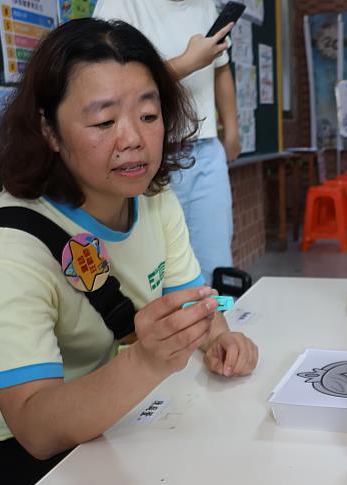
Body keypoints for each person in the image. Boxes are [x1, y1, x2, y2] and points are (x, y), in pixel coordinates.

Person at [0, 19, 258, 485]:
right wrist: (146, 362)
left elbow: (193, 305)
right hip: (3, 446)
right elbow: (34, 428)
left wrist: (218, 337)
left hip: (110, 418)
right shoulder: (6, 247)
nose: (133, 140)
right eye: (103, 123)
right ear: (48, 130)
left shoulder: (154, 200)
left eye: (149, 114)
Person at [94, 0, 240, 285]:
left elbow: (221, 67)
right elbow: (109, 82)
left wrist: (232, 130)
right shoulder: (119, 5)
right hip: (147, 156)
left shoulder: (206, 6)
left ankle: (219, 326)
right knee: (155, 268)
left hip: (207, 150)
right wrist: (188, 62)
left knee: (217, 264)